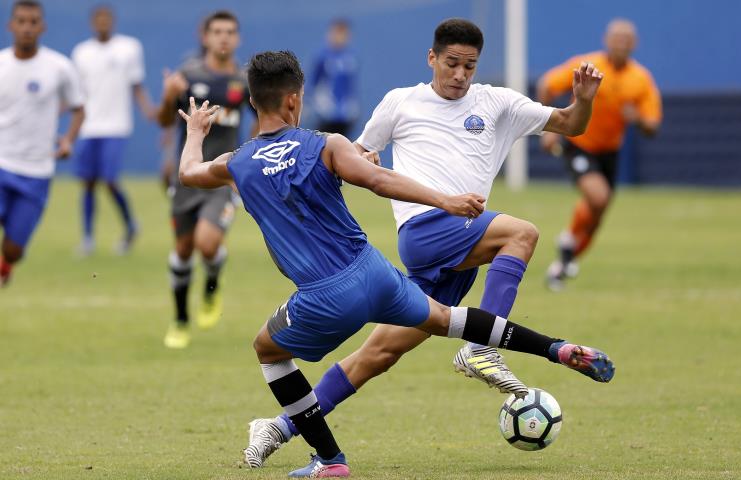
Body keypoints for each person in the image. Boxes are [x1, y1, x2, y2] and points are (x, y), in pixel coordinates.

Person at [177, 49, 614, 477]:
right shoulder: (327, 144)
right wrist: (446, 199)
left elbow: (188, 174)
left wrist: (196, 131)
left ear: (253, 100)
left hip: (323, 296)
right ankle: (555, 349)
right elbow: (379, 180)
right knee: (450, 319)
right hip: (376, 273)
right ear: (295, 99)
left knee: (268, 351)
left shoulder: (236, 163)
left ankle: (330, 460)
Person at [536, 18, 662, 291]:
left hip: (610, 152)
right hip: (579, 143)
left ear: (634, 45)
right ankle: (568, 245)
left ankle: (565, 256)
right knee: (598, 196)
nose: (621, 44)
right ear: (607, 40)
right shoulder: (589, 65)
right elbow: (547, 84)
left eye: (627, 40)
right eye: (617, 38)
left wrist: (637, 119)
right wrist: (550, 128)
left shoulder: (640, 79)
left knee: (598, 212)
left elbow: (653, 125)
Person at [156, 10, 255, 348]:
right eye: (217, 31)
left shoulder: (244, 81)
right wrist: (170, 95)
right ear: (206, 37)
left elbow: (262, 120)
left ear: (237, 38)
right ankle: (181, 319)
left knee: (207, 243)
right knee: (183, 250)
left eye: (230, 31)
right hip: (187, 177)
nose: (224, 37)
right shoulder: (187, 75)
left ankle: (212, 285)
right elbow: (163, 120)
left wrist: (250, 155)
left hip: (221, 177)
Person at [0, 0, 85, 286]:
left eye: (33, 21)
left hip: (36, 170)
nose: (27, 27)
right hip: (1, 163)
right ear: (11, 25)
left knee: (13, 249)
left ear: (42, 26)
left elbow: (78, 107)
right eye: (21, 21)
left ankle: (5, 265)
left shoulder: (59, 67)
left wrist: (68, 141)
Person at [71, 4, 153, 256]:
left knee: (109, 180)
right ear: (92, 22)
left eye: (107, 18)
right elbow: (77, 93)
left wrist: (149, 109)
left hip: (116, 126)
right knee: (87, 183)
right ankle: (87, 238)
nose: (103, 23)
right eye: (99, 19)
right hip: (88, 127)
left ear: (113, 21)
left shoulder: (129, 48)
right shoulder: (81, 52)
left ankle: (130, 226)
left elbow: (136, 85)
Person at [309, 19, 359, 136]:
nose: (340, 37)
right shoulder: (322, 57)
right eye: (337, 33)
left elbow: (350, 86)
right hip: (327, 113)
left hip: (345, 115)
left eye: (344, 34)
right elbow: (313, 83)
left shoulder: (351, 58)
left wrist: (353, 106)